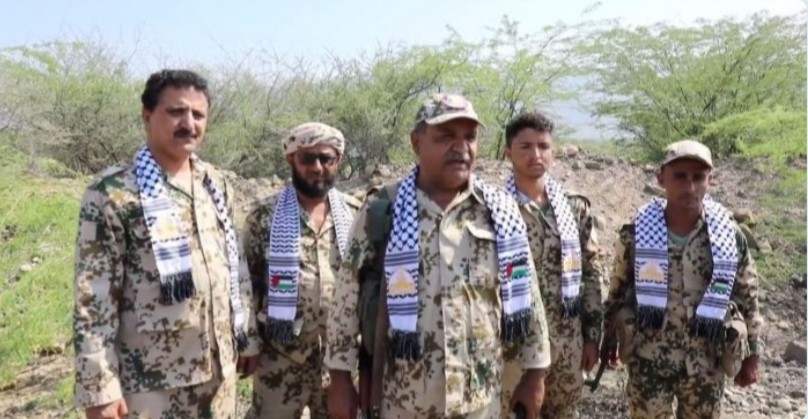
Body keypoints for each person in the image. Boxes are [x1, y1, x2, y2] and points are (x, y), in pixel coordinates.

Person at [326, 93, 552, 419]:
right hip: (405, 401)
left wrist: (535, 374)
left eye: (469, 137)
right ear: (416, 142)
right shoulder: (383, 208)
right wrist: (340, 378)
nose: (461, 147)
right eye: (445, 137)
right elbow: (347, 296)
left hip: (479, 400)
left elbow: (527, 293)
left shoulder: (499, 210)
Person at [72, 69, 260, 419]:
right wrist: (99, 388)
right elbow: (93, 298)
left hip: (219, 376)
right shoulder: (112, 193)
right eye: (176, 112)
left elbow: (235, 267)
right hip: (152, 384)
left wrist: (245, 337)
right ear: (147, 115)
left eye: (198, 114)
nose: (188, 123)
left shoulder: (215, 184)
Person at [605, 139, 763, 418]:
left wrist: (753, 355)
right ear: (661, 178)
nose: (690, 187)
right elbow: (618, 288)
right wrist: (606, 339)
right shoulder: (637, 232)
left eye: (698, 177)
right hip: (649, 358)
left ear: (710, 180)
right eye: (680, 176)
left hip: (707, 361)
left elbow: (747, 296)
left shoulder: (728, 235)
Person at [242, 122, 361, 418]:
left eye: (326, 158)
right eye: (307, 158)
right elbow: (246, 286)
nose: (317, 167)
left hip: (339, 362)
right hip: (280, 357)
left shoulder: (357, 215)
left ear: (338, 161)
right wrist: (248, 343)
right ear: (291, 159)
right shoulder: (263, 217)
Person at [501, 112, 606, 418]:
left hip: (566, 345)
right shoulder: (496, 208)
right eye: (525, 147)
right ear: (508, 153)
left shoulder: (574, 208)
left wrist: (591, 337)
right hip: (515, 347)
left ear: (553, 151)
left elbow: (591, 273)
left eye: (543, 146)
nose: (536, 155)